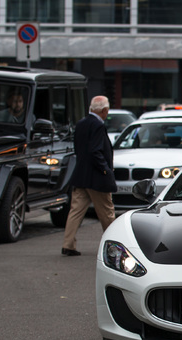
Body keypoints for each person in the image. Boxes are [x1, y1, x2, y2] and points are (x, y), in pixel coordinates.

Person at [61, 95, 117, 256]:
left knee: (75, 212)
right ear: (105, 110)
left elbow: (80, 149)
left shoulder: (81, 124)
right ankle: (113, 246)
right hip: (97, 177)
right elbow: (96, 151)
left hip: (81, 175)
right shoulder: (98, 126)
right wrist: (106, 170)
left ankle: (68, 243)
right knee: (107, 213)